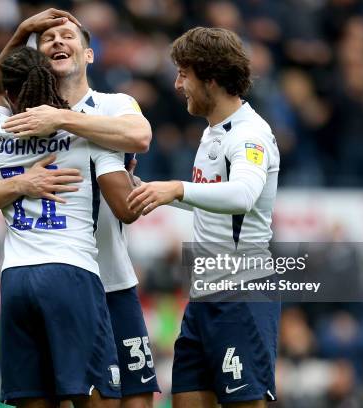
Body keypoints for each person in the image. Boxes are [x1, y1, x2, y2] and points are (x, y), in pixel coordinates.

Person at [0, 11, 141, 408]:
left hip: (15, 277)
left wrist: (23, 30)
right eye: (48, 38)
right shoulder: (88, 130)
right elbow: (126, 208)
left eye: (66, 35)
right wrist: (135, 184)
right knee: (100, 397)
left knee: (33, 398)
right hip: (72, 272)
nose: (57, 40)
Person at [127, 28, 281, 408]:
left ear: (211, 78)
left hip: (242, 296)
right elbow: (211, 200)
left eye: (184, 74)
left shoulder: (249, 136)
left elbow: (242, 196)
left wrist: (176, 188)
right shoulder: (213, 134)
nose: (178, 84)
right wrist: (149, 189)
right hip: (202, 298)